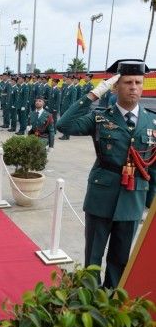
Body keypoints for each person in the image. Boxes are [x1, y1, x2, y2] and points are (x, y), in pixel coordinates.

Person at [57, 60, 156, 288]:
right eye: (128, 82)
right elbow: (64, 125)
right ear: (114, 87)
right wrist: (93, 95)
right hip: (101, 197)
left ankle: (110, 300)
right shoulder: (100, 117)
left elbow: (154, 166)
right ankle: (90, 298)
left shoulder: (152, 121)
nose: (134, 87)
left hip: (133, 199)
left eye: (138, 82)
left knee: (120, 259)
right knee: (93, 256)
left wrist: (150, 204)